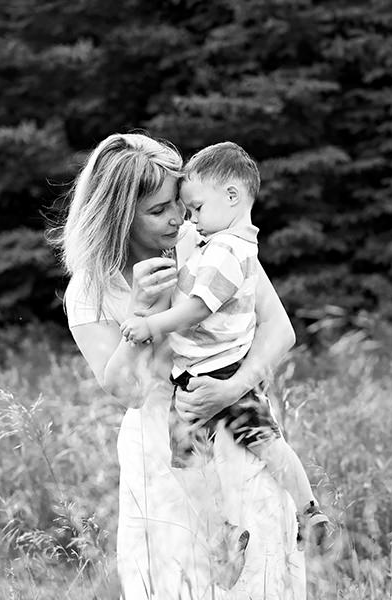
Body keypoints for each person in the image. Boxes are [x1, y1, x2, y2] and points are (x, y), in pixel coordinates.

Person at [60, 132, 306, 599]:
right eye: (157, 211)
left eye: (177, 202)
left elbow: (279, 329)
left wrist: (235, 387)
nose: (177, 218)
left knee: (261, 577)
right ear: (118, 219)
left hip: (241, 430)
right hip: (165, 458)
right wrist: (140, 311)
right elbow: (126, 391)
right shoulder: (90, 291)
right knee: (176, 580)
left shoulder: (215, 248)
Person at [120, 142, 330, 549]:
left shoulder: (225, 252)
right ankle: (308, 510)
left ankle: (226, 529)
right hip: (219, 370)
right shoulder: (232, 245)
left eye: (195, 208)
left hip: (213, 374)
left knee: (189, 459)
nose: (188, 219)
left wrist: (149, 323)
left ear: (231, 197)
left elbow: (198, 308)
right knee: (267, 443)